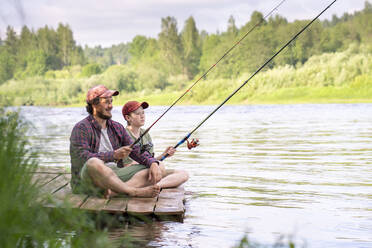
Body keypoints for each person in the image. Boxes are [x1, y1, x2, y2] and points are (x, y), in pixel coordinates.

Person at [69, 85, 163, 198]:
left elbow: (136, 150)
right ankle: (133, 191)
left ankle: (114, 191)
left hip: (114, 174)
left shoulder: (117, 127)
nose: (110, 106)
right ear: (94, 104)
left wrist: (152, 163)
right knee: (93, 162)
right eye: (106, 102)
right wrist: (113, 155)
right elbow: (82, 158)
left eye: (111, 101)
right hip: (88, 179)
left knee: (159, 166)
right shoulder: (81, 128)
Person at [122, 101, 189, 189]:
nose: (142, 116)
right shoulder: (124, 134)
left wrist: (164, 155)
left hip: (149, 169)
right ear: (128, 117)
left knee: (183, 174)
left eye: (143, 113)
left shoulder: (145, 133)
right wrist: (154, 165)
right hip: (133, 173)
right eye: (137, 114)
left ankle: (155, 186)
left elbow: (151, 160)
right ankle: (147, 184)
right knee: (160, 166)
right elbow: (126, 165)